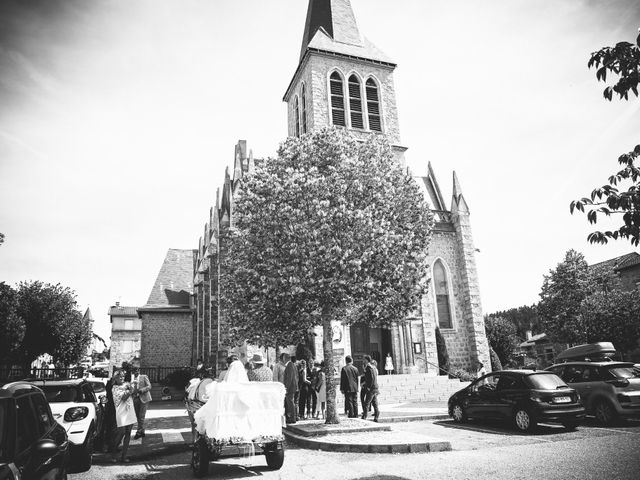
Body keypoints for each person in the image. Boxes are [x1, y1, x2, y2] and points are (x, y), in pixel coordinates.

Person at [111, 369, 137, 463]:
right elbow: (124, 397)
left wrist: (133, 388)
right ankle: (113, 453)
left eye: (122, 376)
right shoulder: (115, 388)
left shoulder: (126, 385)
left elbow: (133, 393)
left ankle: (124, 456)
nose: (122, 378)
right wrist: (130, 390)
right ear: (115, 378)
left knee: (128, 433)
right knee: (121, 432)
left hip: (129, 409)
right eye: (119, 376)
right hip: (121, 411)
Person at [131, 362, 152, 439]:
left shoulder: (144, 377)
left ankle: (138, 432)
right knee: (137, 416)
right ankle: (142, 431)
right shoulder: (131, 379)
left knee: (141, 416)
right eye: (134, 370)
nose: (135, 372)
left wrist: (141, 390)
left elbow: (149, 386)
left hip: (144, 398)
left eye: (136, 370)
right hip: (135, 398)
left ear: (139, 370)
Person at [362, 355, 380, 422]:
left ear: (366, 360)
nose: (363, 360)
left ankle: (364, 416)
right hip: (375, 387)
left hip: (371, 388)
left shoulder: (369, 367)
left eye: (364, 359)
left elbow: (371, 378)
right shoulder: (373, 367)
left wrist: (369, 386)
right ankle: (376, 415)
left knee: (367, 402)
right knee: (374, 403)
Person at [283, 353, 298, 424]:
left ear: (285, 358)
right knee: (291, 402)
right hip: (293, 386)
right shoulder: (292, 365)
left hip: (290, 387)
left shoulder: (289, 365)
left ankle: (293, 418)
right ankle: (294, 417)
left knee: (291, 402)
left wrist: (286, 388)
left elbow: (289, 378)